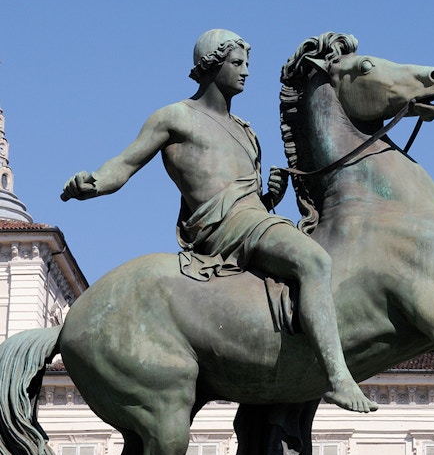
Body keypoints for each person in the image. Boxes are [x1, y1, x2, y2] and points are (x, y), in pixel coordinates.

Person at [61, 29, 377, 413]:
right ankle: (338, 379)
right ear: (212, 64)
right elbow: (124, 165)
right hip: (221, 227)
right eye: (237, 63)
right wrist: (92, 183)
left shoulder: (247, 132)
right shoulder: (175, 116)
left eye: (247, 64)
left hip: (252, 219)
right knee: (314, 261)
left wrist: (269, 197)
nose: (245, 72)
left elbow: (249, 199)